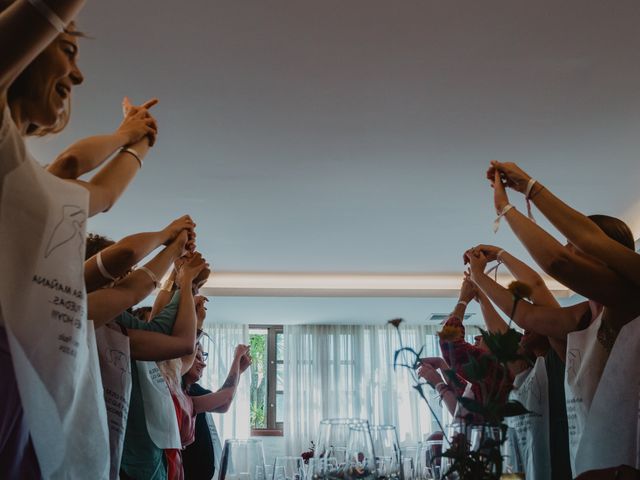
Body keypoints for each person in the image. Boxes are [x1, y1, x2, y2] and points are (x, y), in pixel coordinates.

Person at [0, 2, 156, 477]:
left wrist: (140, 138)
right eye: (67, 49)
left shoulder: (26, 185)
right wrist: (123, 132)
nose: (79, 76)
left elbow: (103, 193)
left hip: (25, 381)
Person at [486, 161, 640, 476]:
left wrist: (510, 204)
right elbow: (527, 313)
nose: (567, 250)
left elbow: (557, 262)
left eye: (575, 247)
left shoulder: (629, 299)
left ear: (606, 256)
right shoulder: (587, 314)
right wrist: (478, 279)